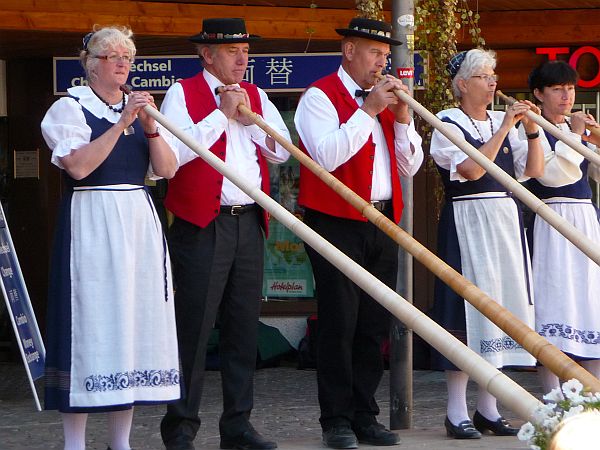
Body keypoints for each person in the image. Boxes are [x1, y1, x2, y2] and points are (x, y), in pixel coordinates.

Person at [40, 26, 180, 450]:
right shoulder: (69, 108)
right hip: (93, 219)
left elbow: (168, 170)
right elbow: (79, 167)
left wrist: (151, 127)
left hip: (137, 217)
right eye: (112, 56)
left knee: (132, 321)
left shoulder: (139, 110)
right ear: (91, 64)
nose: (122, 63)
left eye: (127, 57)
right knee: (90, 322)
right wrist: (122, 123)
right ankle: (74, 442)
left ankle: (121, 442)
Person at [159, 18, 290, 450]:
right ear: (207, 54)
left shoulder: (258, 95)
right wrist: (221, 115)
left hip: (249, 220)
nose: (242, 58)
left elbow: (280, 150)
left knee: (242, 328)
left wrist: (247, 117)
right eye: (232, 50)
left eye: (245, 50)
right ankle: (180, 428)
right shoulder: (182, 92)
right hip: (202, 223)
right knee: (194, 328)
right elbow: (175, 154)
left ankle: (237, 424)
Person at [294, 17, 424, 449]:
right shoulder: (319, 96)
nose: (381, 62)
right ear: (349, 50)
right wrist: (367, 110)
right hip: (335, 219)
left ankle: (365, 414)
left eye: (385, 55)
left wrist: (403, 121)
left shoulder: (386, 100)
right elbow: (327, 156)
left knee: (373, 321)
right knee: (339, 321)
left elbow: (409, 167)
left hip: (383, 219)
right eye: (374, 53)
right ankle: (335, 420)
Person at [429, 48, 544, 439]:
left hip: (505, 221)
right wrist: (504, 128)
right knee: (465, 309)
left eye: (494, 75)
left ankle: (488, 407)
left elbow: (533, 172)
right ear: (463, 85)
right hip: (468, 220)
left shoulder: (503, 120)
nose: (493, 82)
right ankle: (456, 409)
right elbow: (473, 168)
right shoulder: (446, 119)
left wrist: (530, 128)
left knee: (502, 308)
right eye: (483, 76)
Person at [524, 60, 600, 393]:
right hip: (551, 220)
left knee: (589, 299)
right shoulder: (530, 127)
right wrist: (575, 136)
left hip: (585, 218)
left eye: (569, 89)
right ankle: (554, 396)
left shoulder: (577, 128)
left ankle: (593, 393)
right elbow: (551, 175)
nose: (566, 96)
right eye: (557, 89)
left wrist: (590, 135)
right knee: (553, 297)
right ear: (539, 94)